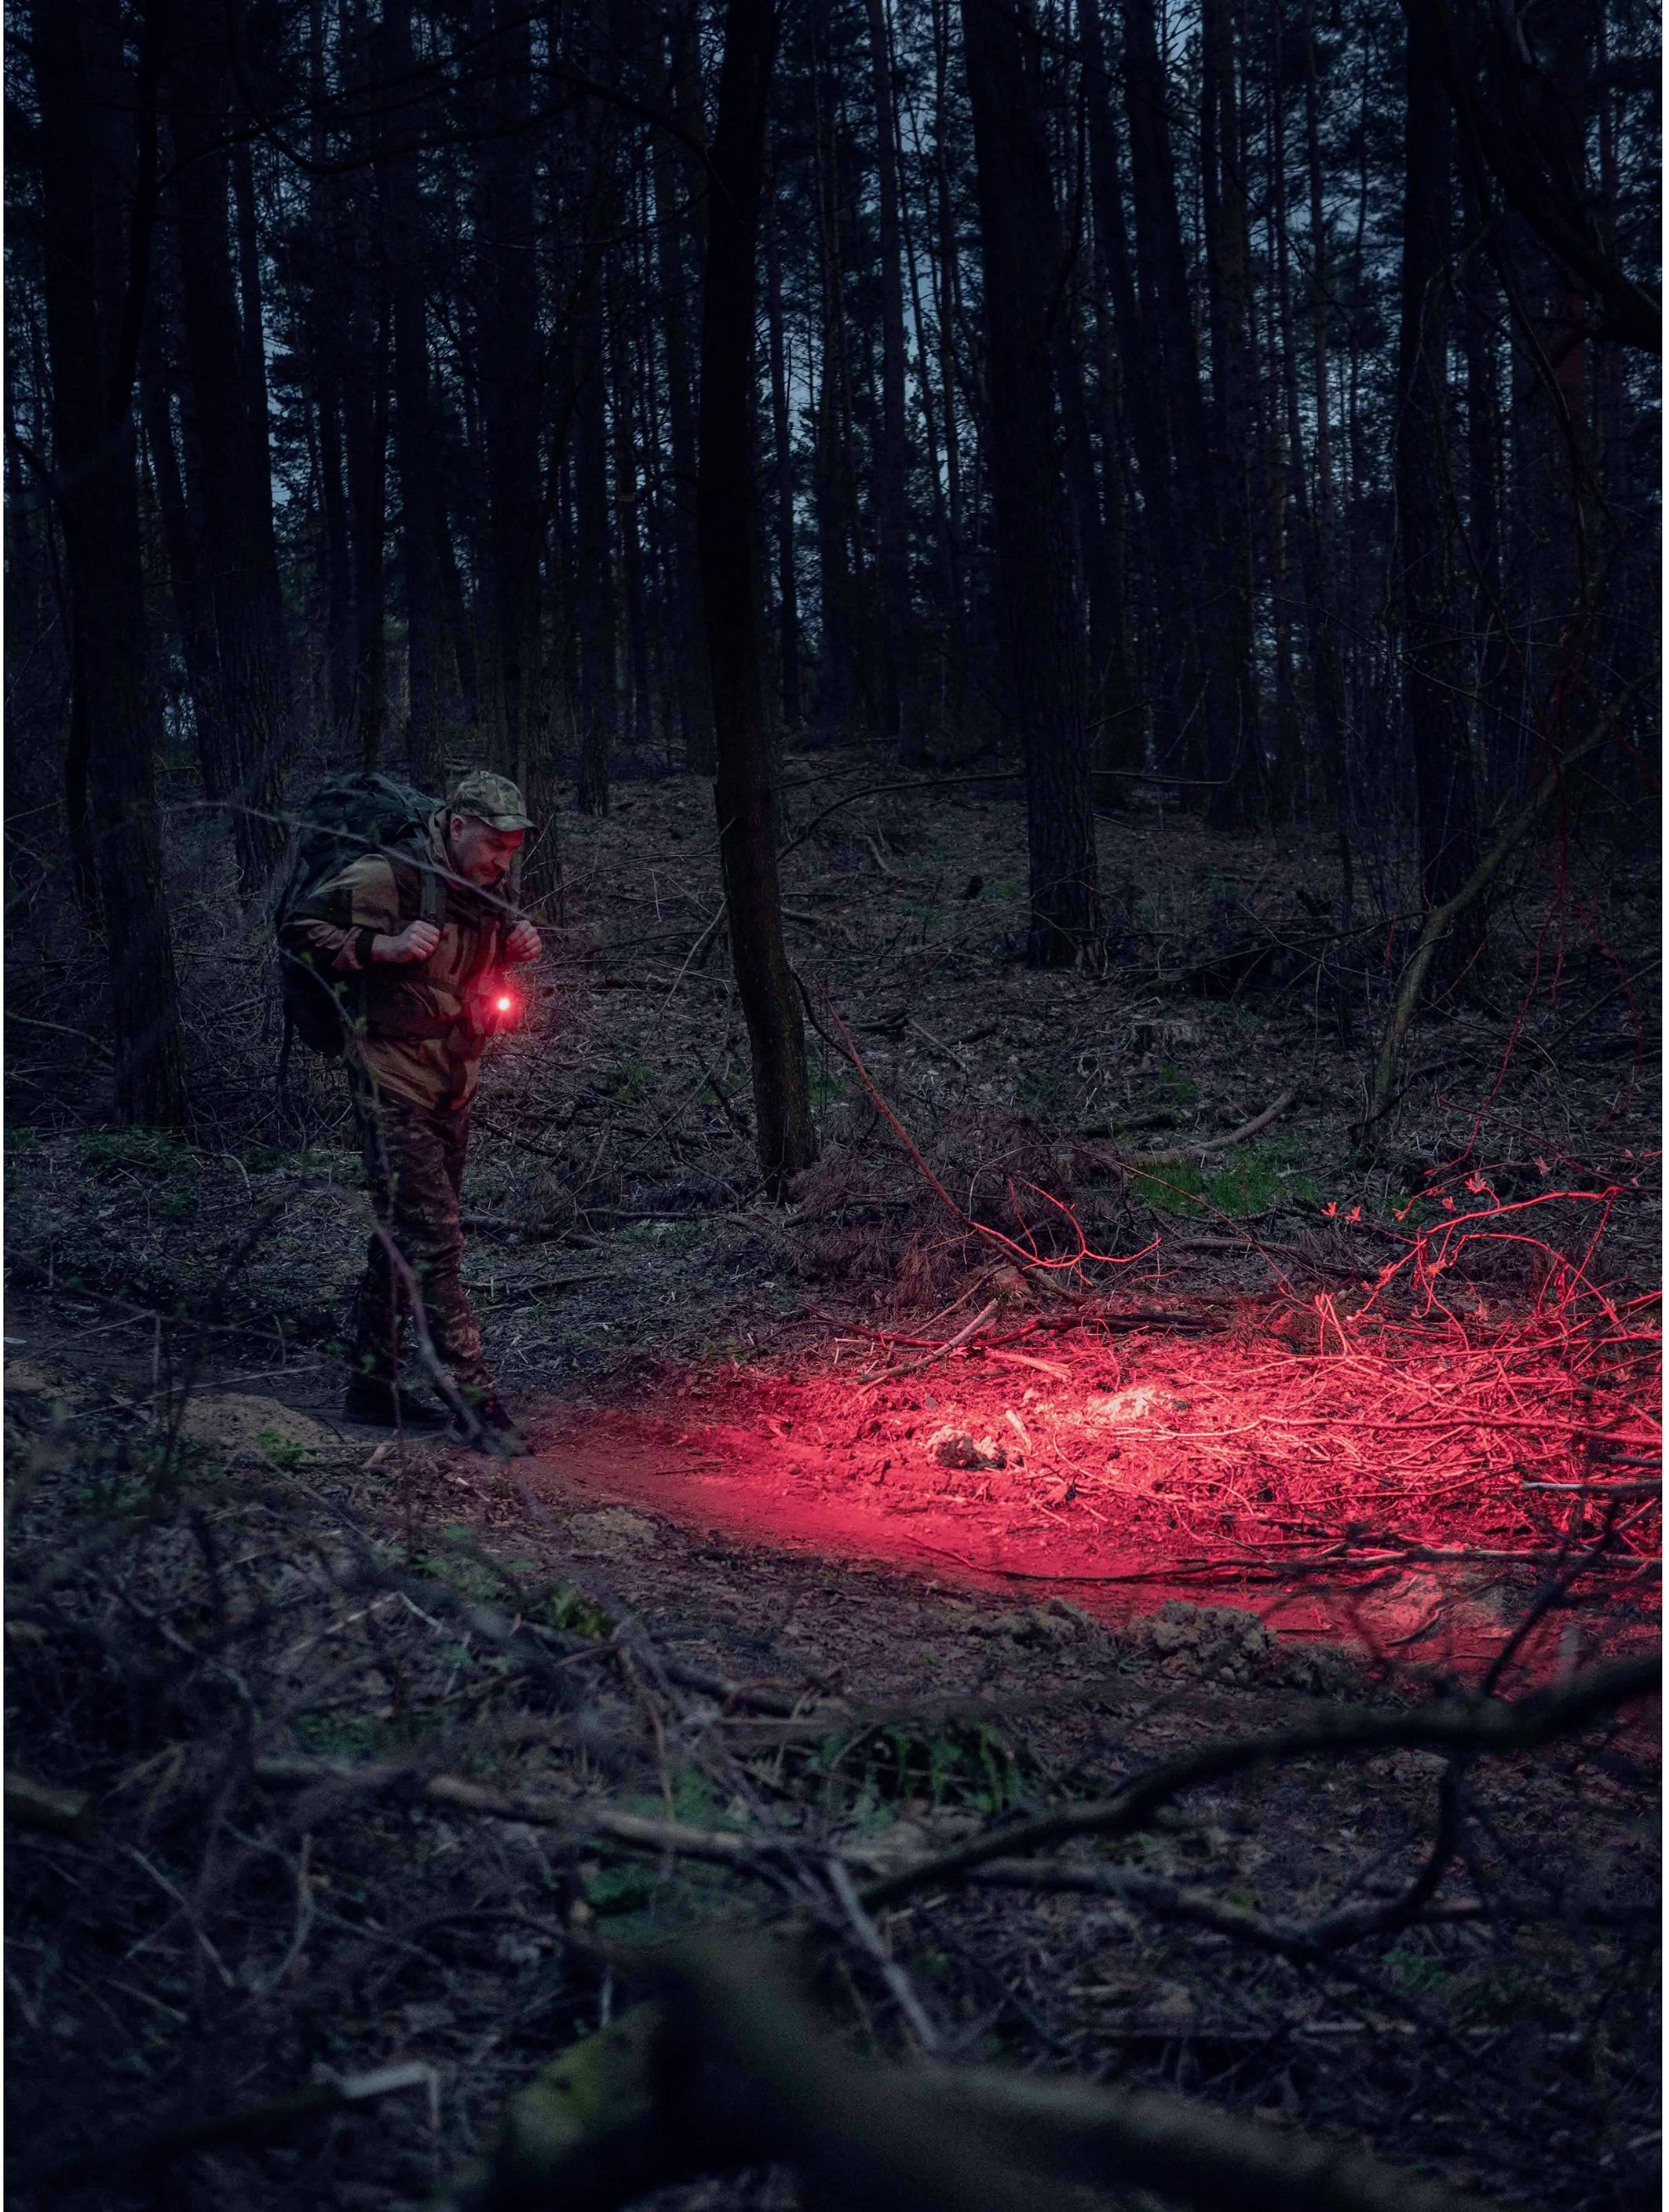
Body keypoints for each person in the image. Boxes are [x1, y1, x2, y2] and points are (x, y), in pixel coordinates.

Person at [281, 771, 542, 1446]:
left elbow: (473, 968)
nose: (502, 863)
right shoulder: (388, 875)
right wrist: (380, 947)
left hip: (452, 1080)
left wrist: (516, 946)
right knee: (434, 1241)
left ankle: (372, 1385)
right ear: (457, 827)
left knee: (404, 1237)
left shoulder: (485, 888)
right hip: (391, 1076)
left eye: (511, 851)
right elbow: (300, 928)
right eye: (493, 846)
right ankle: (474, 1404)